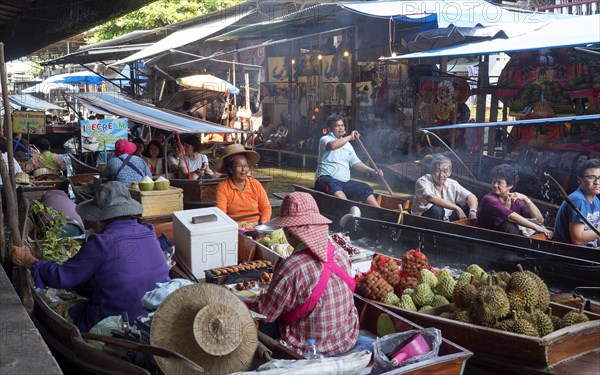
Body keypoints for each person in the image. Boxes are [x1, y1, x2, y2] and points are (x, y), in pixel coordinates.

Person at [11, 181, 171, 331]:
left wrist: (30, 261)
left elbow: (62, 277)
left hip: (117, 322)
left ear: (100, 220)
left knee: (56, 303)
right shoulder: (149, 232)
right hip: (158, 314)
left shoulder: (101, 242)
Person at [251, 192, 359, 356]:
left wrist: (250, 302)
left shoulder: (293, 267)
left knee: (262, 323)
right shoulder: (341, 253)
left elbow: (265, 313)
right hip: (346, 338)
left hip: (310, 348)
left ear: (290, 232)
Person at [314, 114, 383, 207]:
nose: (341, 128)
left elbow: (356, 163)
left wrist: (372, 171)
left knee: (365, 188)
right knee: (333, 185)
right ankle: (348, 209)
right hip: (325, 179)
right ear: (330, 129)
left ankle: (379, 210)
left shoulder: (348, 145)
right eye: (337, 126)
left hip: (344, 183)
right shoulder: (325, 139)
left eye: (342, 125)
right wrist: (350, 137)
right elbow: (332, 146)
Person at [475, 164, 552, 238]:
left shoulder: (516, 201)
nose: (495, 185)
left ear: (510, 185)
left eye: (499, 183)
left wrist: (525, 198)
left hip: (503, 241)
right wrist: (536, 227)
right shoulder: (489, 199)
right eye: (494, 181)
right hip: (483, 237)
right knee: (509, 225)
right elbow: (511, 216)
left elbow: (540, 220)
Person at [215, 144, 271, 228]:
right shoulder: (223, 187)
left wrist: (263, 223)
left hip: (256, 225)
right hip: (233, 226)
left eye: (245, 165)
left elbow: (266, 207)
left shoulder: (255, 184)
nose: (244, 169)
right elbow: (221, 214)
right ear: (230, 169)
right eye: (239, 166)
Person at [412, 154, 478, 221]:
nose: (441, 175)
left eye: (445, 171)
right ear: (431, 170)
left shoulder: (452, 184)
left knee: (470, 207)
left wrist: (473, 211)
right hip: (423, 220)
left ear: (449, 172)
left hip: (446, 220)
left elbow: (471, 196)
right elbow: (430, 197)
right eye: (437, 171)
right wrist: (457, 208)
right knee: (437, 210)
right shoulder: (422, 181)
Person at [553, 159, 600, 247]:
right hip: (571, 254)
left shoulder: (596, 201)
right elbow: (577, 240)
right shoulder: (578, 200)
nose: (597, 182)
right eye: (591, 177)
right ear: (579, 180)